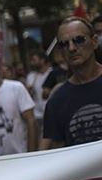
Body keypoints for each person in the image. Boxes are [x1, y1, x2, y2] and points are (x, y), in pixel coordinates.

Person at [41, 16, 102, 149]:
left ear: (94, 41)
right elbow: (58, 155)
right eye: (64, 44)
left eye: (79, 40)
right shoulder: (56, 101)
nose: (72, 48)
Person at [26, 51, 53, 127]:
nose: (32, 63)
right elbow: (28, 95)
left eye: (34, 60)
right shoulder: (31, 76)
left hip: (52, 113)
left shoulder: (52, 73)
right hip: (37, 114)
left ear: (42, 60)